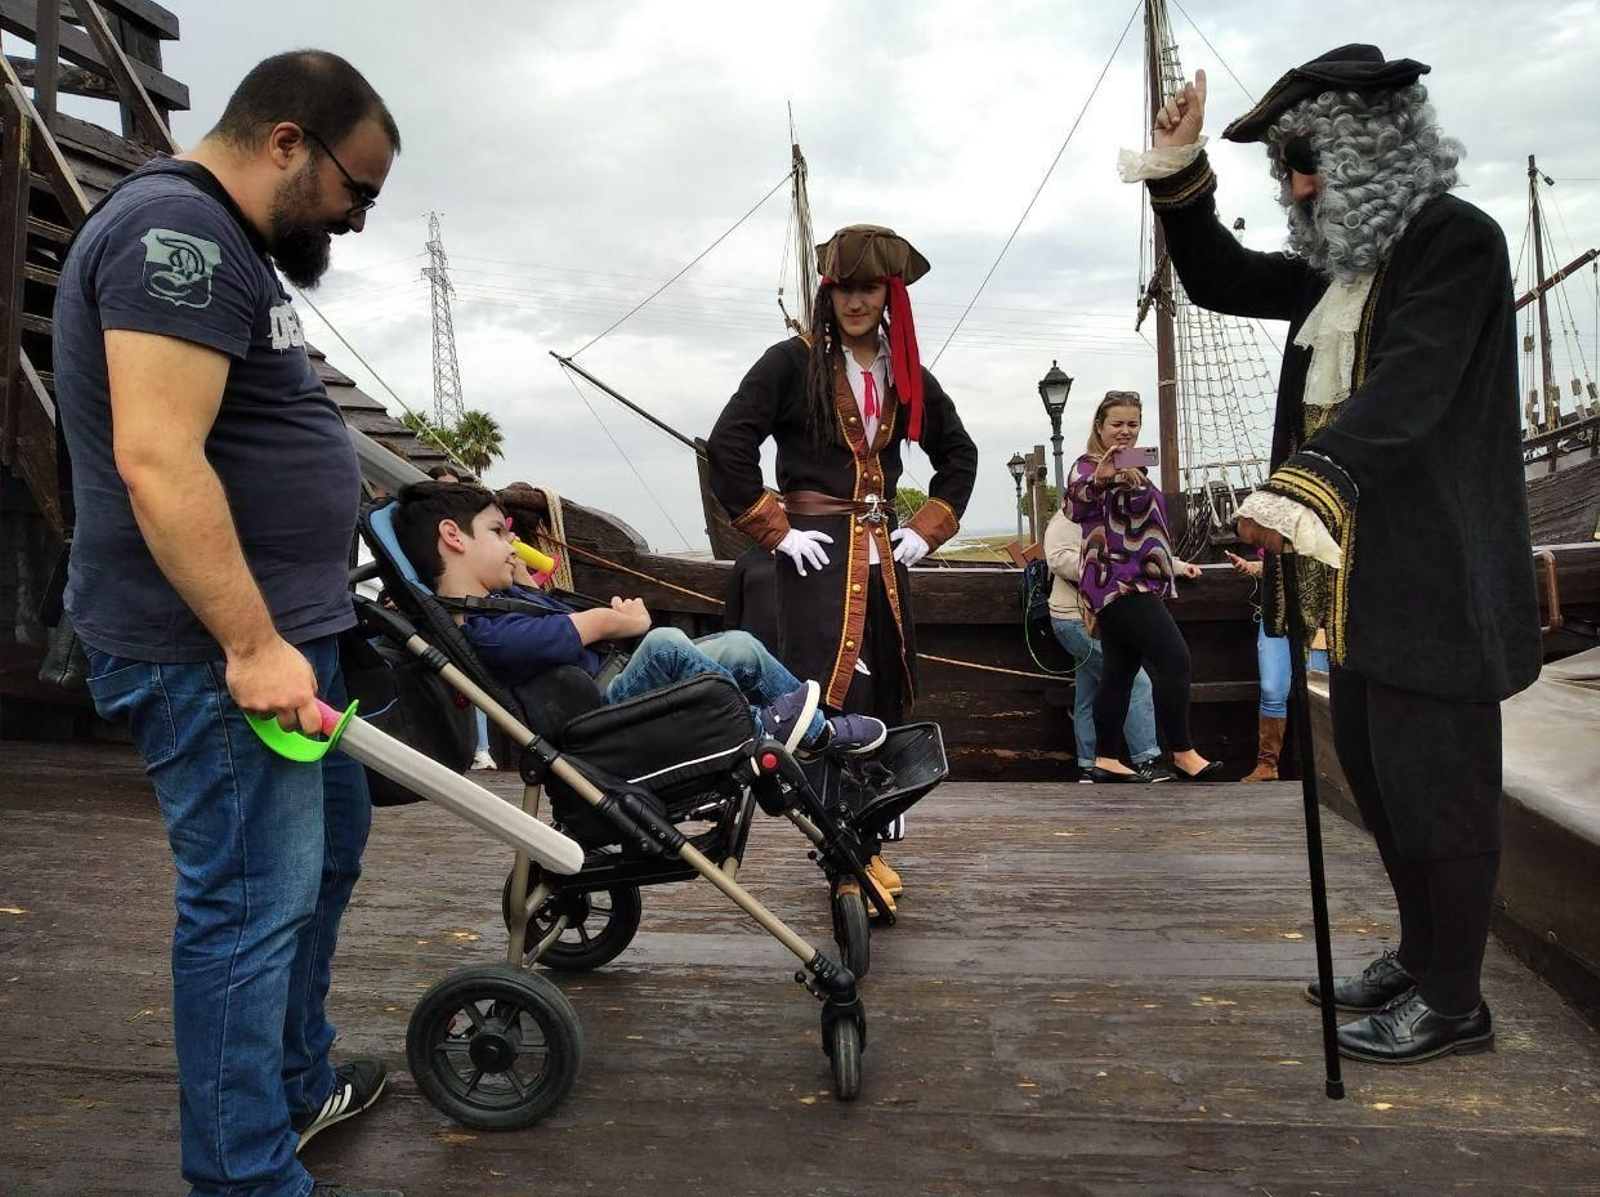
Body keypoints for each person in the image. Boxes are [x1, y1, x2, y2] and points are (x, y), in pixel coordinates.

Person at [1135, 45, 1541, 1063]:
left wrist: (1298, 486)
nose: (1296, 188)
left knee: (1441, 792)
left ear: (1371, 150)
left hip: (1436, 578)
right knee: (1380, 778)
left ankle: (1456, 1002)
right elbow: (1222, 275)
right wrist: (1180, 172)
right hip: (1354, 589)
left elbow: (1409, 388)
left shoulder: (1456, 242)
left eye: (1306, 161)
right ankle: (1421, 956)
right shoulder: (1341, 269)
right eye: (1285, 170)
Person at [54, 52, 405, 1197]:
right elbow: (158, 460)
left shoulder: (228, 246)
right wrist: (251, 646)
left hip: (287, 640)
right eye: (356, 190)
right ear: (288, 141)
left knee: (326, 856)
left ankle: (294, 1087)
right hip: (215, 657)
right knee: (249, 907)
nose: (356, 220)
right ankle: (243, 1176)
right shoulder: (180, 237)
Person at [707, 224, 979, 910]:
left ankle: (869, 846)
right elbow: (728, 445)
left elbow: (959, 455)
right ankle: (842, 859)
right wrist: (777, 530)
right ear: (827, 294)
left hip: (885, 560)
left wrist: (926, 528)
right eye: (844, 289)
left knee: (880, 699)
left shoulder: (903, 373)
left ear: (889, 296)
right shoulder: (789, 363)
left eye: (869, 290)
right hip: (817, 557)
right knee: (829, 703)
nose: (856, 303)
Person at [393, 482, 887, 757]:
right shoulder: (487, 631)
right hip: (604, 713)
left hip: (612, 684)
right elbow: (591, 627)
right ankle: (758, 727)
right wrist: (622, 622)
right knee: (664, 642)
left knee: (740, 644)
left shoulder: (504, 605)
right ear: (453, 537)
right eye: (498, 533)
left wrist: (519, 577)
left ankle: (818, 730)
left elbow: (546, 618)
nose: (511, 544)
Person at [1067, 393, 1219, 784]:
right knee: (1175, 658)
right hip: (1118, 583)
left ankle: (1106, 758)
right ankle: (1183, 753)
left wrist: (1173, 567)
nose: (1125, 431)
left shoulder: (1137, 469)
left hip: (1138, 581)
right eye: (1117, 424)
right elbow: (1074, 507)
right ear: (1099, 426)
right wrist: (1101, 477)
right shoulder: (1087, 467)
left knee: (1119, 671)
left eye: (1132, 424)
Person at [1044, 508, 1171, 783]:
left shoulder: (1109, 513)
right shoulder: (1069, 517)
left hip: (1096, 617)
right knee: (1136, 683)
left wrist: (1179, 567)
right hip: (1076, 618)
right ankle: (1146, 759)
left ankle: (1089, 765)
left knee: (1090, 691)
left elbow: (1139, 551)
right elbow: (1057, 558)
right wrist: (1106, 567)